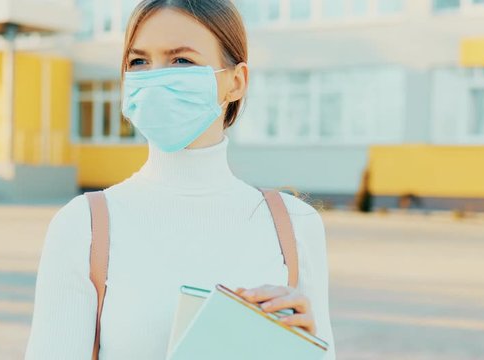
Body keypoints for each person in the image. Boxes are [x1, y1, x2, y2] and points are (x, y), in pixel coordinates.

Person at [24, 0, 336, 358]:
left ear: (236, 82)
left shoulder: (296, 225)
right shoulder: (84, 226)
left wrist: (307, 346)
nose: (156, 76)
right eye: (139, 61)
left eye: (182, 60)